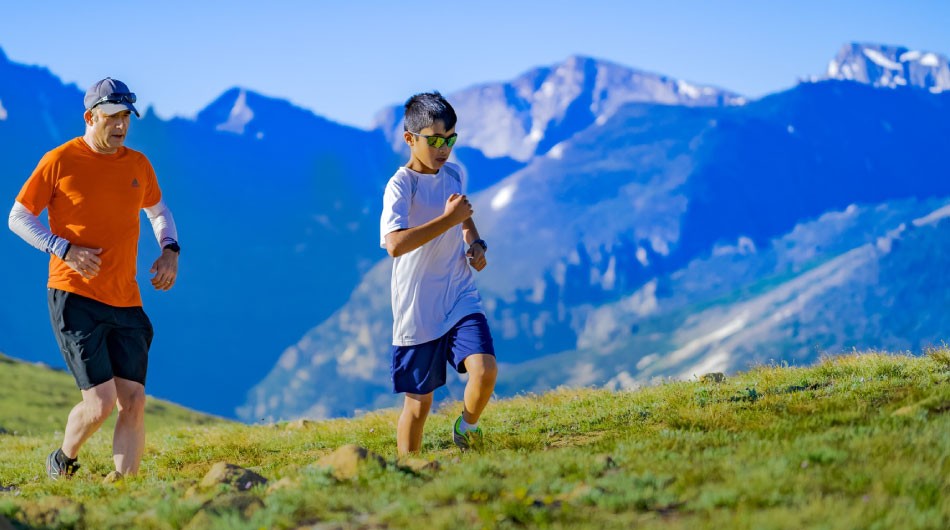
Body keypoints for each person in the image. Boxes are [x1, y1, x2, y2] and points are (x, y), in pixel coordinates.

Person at [7, 77, 180, 480]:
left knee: (133, 401)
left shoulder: (138, 164)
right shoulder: (60, 160)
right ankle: (63, 458)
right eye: (111, 118)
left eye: (126, 118)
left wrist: (170, 249)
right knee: (100, 403)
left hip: (126, 297)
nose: (120, 126)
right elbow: (18, 217)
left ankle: (123, 488)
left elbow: (159, 211)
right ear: (90, 117)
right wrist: (62, 247)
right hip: (74, 295)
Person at [380, 92, 498, 456]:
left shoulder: (454, 174)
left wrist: (476, 245)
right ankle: (408, 470)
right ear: (410, 139)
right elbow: (395, 244)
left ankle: (468, 427)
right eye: (435, 140)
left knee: (485, 369)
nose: (444, 148)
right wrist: (446, 220)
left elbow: (464, 219)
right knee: (418, 405)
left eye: (450, 139)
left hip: (459, 294)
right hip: (417, 307)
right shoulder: (401, 185)